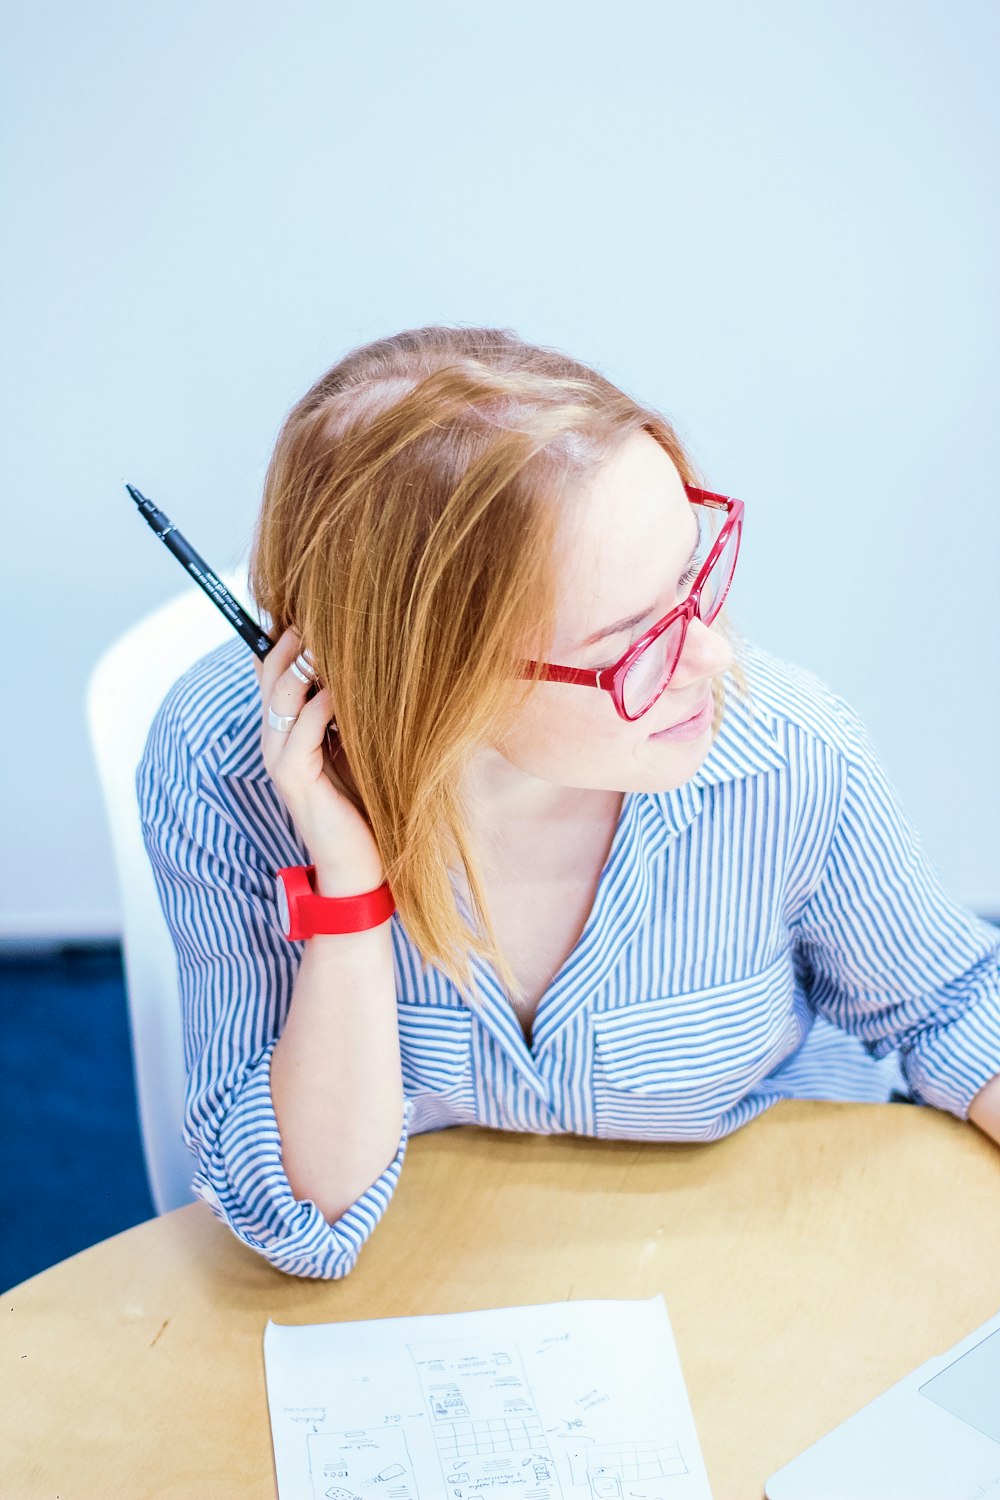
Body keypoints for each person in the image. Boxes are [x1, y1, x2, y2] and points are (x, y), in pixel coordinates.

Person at [137, 324, 1000, 1280]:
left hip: (773, 1249)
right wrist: (349, 888)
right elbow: (302, 1212)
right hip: (451, 1282)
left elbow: (953, 1008)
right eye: (632, 641)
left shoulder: (786, 751)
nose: (711, 658)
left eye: (691, 579)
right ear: (435, 681)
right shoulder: (224, 769)